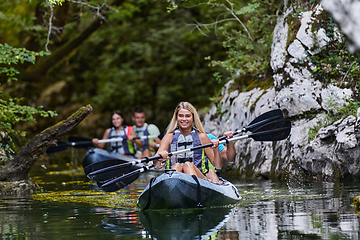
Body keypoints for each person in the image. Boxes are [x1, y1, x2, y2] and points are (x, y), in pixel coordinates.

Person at [153, 101, 222, 183]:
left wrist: (216, 149)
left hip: (199, 179)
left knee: (187, 165)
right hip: (174, 180)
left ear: (193, 118)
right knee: (176, 166)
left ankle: (194, 188)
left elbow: (218, 166)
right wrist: (160, 158)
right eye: (181, 116)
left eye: (188, 116)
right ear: (176, 118)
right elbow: (156, 165)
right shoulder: (168, 137)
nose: (184, 119)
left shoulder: (202, 137)